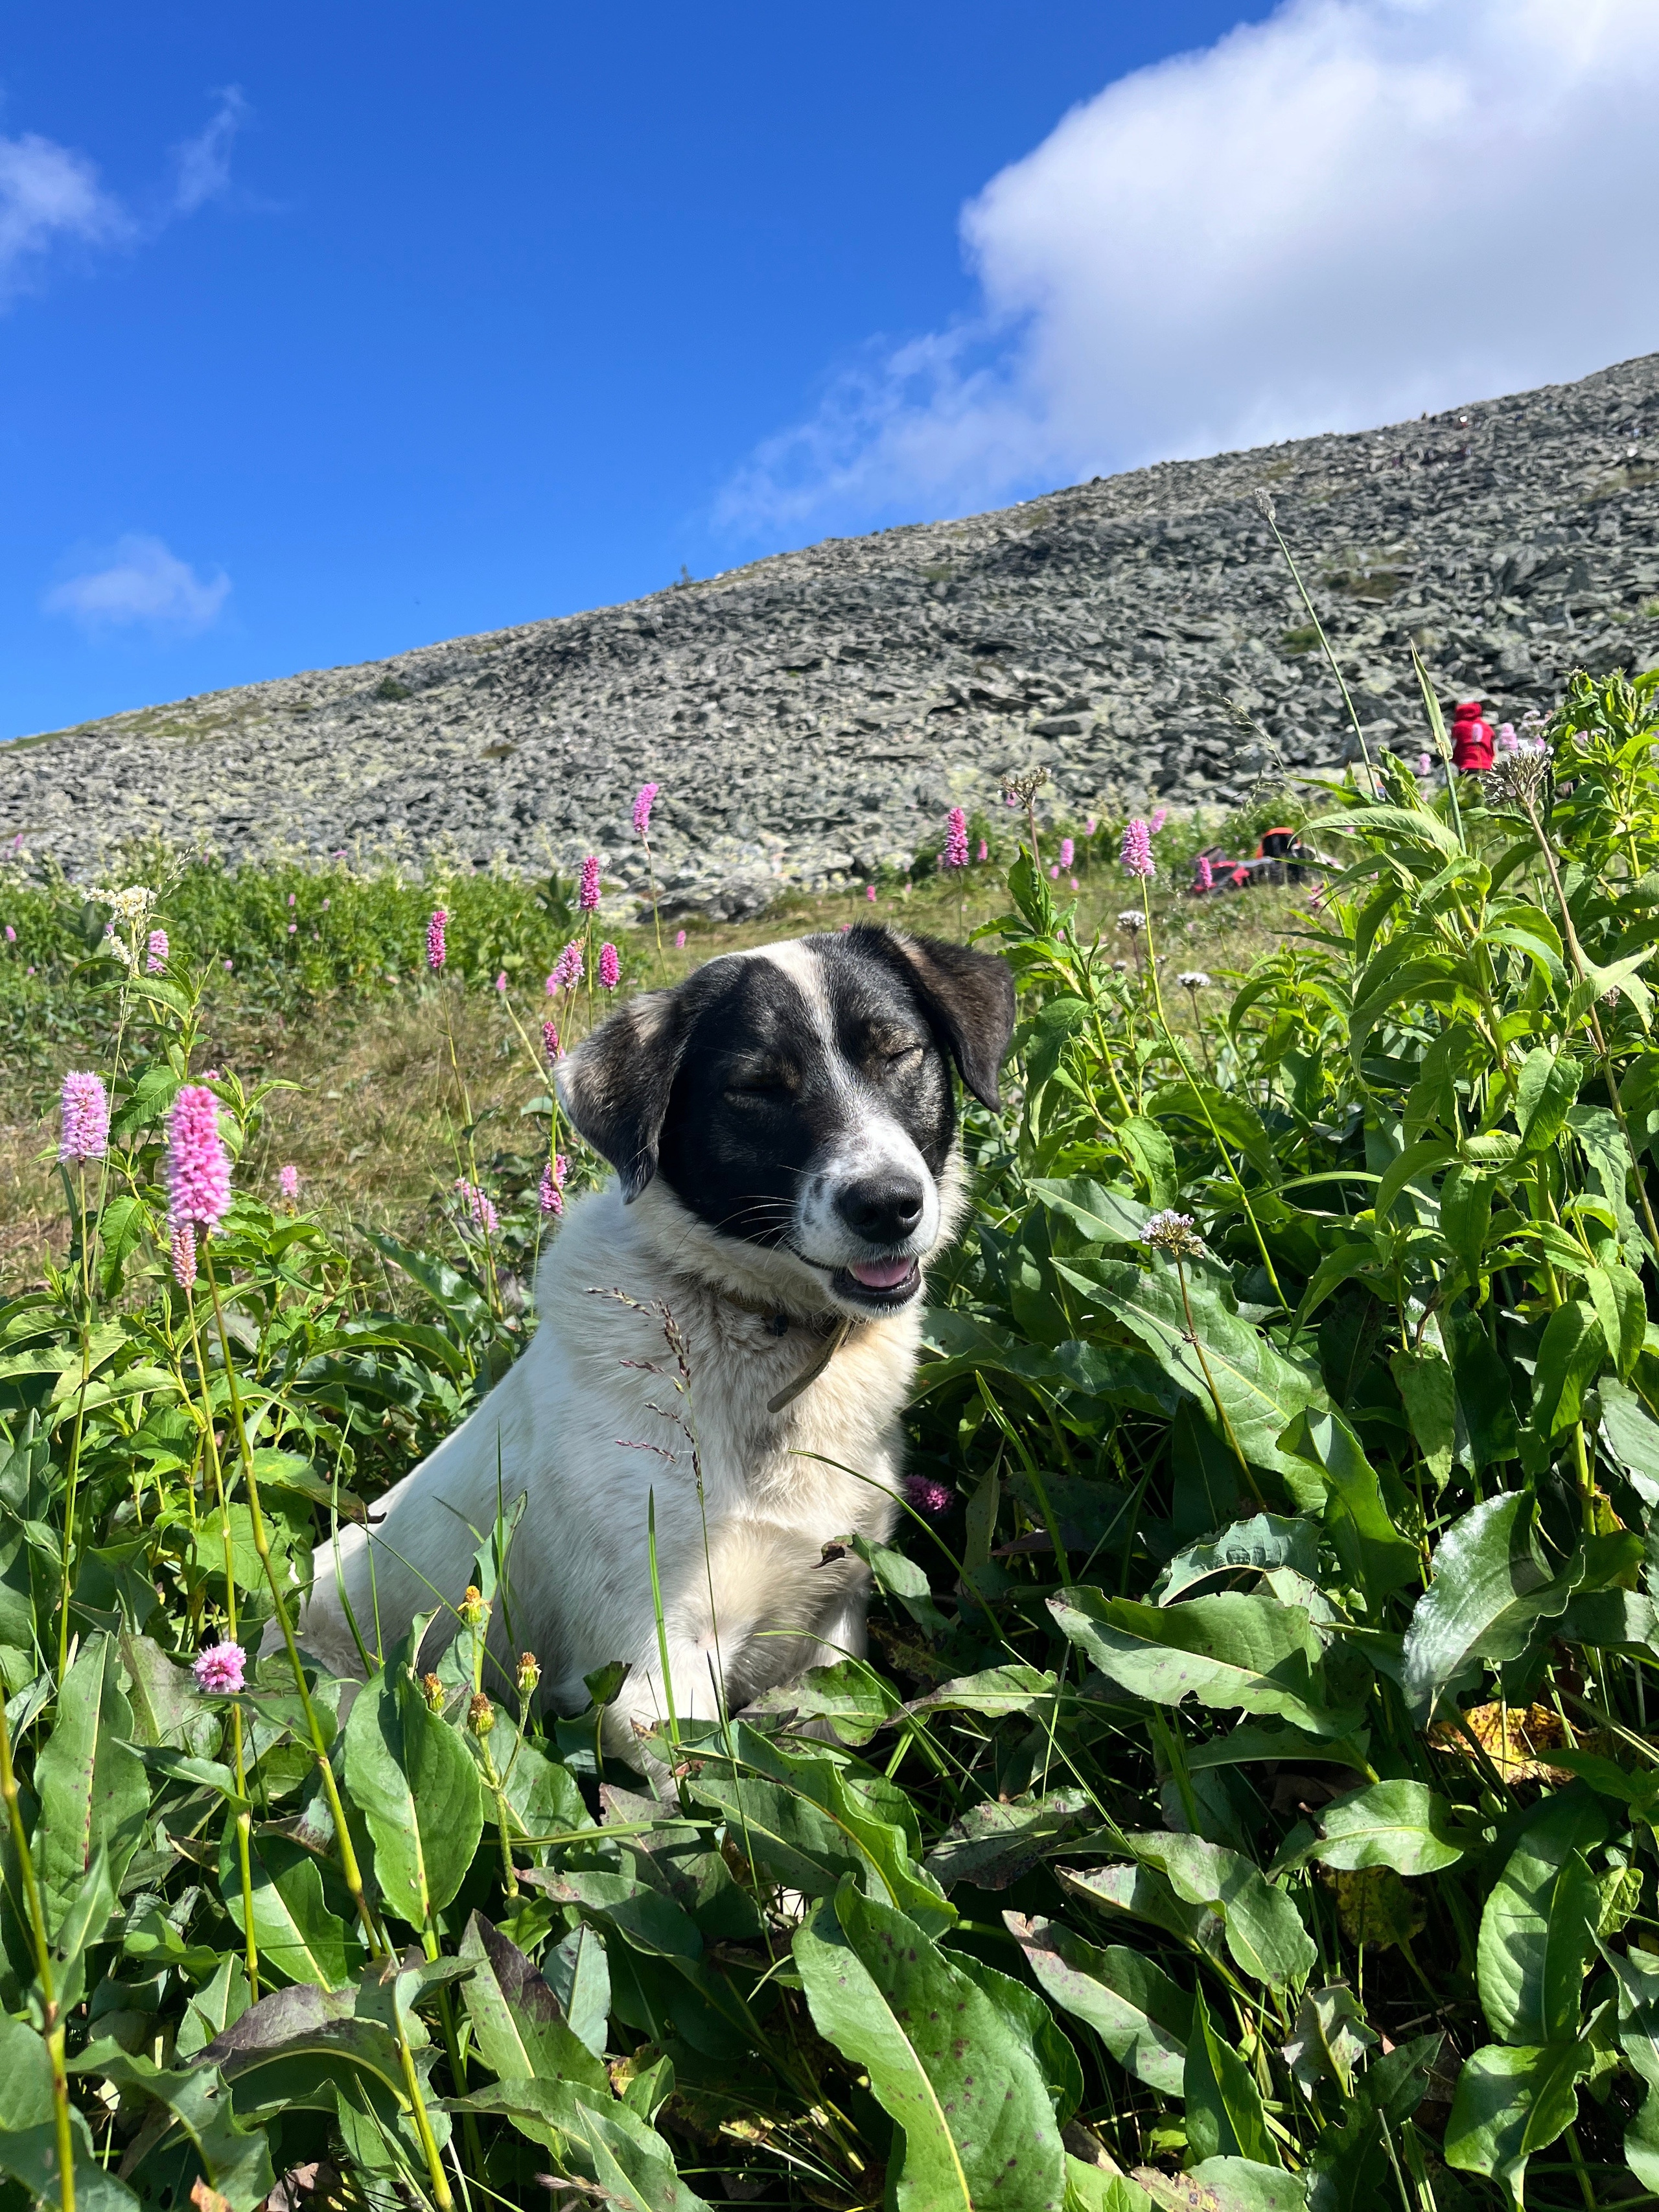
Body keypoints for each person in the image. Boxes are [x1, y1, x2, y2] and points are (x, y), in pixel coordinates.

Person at [1450, 699, 1494, 773]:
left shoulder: (1458, 727)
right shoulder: (1487, 728)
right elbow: (1492, 750)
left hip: (1466, 765)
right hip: (1486, 766)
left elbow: (1453, 748)